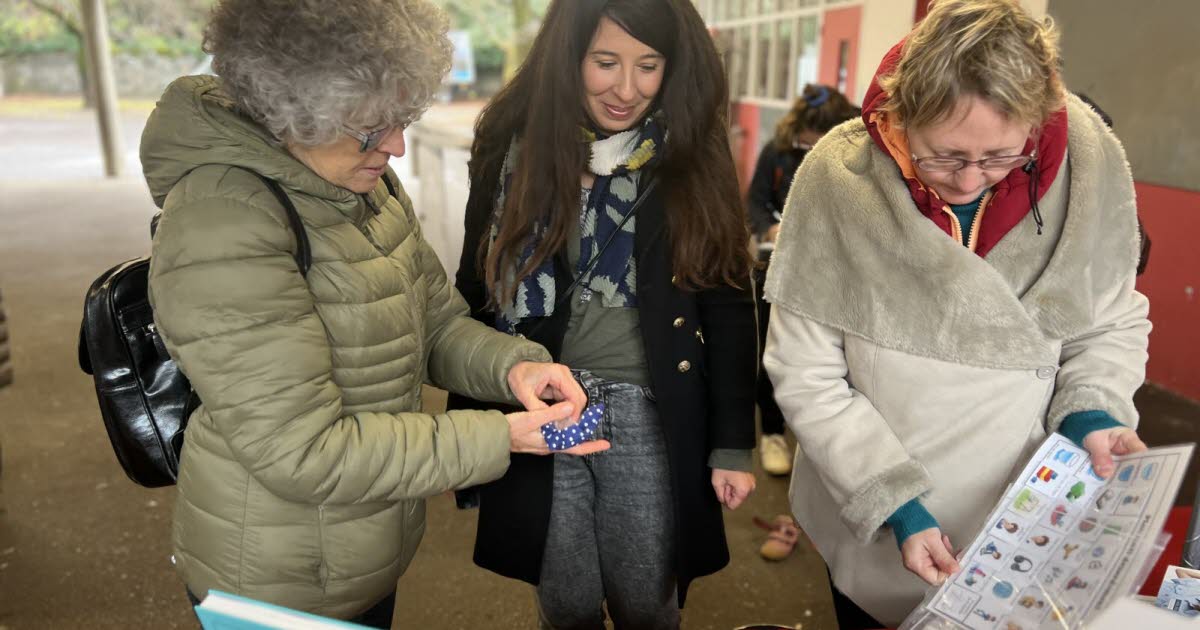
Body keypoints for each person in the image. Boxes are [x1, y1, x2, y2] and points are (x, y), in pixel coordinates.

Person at [141, 0, 606, 626]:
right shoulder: (223, 224)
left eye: (401, 117)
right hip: (277, 577)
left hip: (358, 541)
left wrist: (513, 369)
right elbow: (304, 451)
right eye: (370, 128)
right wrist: (504, 436)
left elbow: (434, 322)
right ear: (294, 110)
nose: (396, 146)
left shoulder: (364, 186)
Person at [762, 0, 1151, 627]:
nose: (970, 182)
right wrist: (895, 504)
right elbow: (806, 371)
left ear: (1036, 123)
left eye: (1001, 158)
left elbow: (1109, 319)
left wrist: (1093, 408)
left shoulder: (1087, 162)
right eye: (942, 156)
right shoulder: (839, 178)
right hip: (873, 499)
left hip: (1023, 518)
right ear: (897, 119)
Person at [450, 1, 758, 627]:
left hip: (648, 408)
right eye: (606, 62)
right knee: (564, 600)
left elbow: (727, 298)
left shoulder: (693, 152)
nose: (626, 89)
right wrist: (468, 432)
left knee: (647, 601)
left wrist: (732, 443)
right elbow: (474, 287)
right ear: (570, 57)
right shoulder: (511, 143)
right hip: (543, 403)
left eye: (648, 66)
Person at [747, 84, 860, 478]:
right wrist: (770, 228)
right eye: (804, 145)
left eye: (817, 146)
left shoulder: (862, 148)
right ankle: (773, 433)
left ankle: (829, 439)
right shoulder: (778, 150)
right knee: (775, 353)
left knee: (835, 359)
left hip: (842, 271)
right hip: (782, 266)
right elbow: (754, 202)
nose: (809, 152)